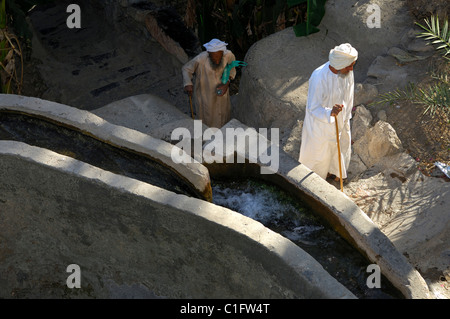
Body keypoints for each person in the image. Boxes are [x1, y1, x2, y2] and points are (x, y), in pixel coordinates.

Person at [299, 43, 358, 183]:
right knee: (320, 155)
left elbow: (349, 95)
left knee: (340, 147)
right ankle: (314, 181)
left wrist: (346, 116)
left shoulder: (347, 71)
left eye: (353, 65)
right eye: (349, 66)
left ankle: (335, 173)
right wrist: (329, 113)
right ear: (338, 64)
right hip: (321, 125)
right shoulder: (319, 77)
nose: (351, 69)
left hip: (341, 119)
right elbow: (313, 107)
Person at [182, 39, 236, 128]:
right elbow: (186, 69)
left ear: (222, 53)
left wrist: (226, 84)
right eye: (214, 57)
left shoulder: (228, 56)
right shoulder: (201, 59)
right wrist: (188, 83)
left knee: (223, 116)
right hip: (205, 94)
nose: (217, 60)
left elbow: (232, 70)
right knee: (207, 118)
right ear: (209, 54)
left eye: (219, 57)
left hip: (222, 92)